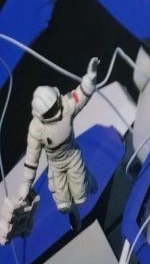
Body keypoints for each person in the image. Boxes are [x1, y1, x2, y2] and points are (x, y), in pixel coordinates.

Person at [18, 57, 99, 216]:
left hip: (72, 156)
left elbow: (80, 95)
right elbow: (32, 157)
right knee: (63, 205)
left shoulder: (66, 105)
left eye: (55, 105)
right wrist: (26, 183)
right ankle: (71, 208)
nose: (55, 110)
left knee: (81, 196)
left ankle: (88, 180)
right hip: (56, 164)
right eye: (50, 110)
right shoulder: (36, 129)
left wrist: (90, 78)